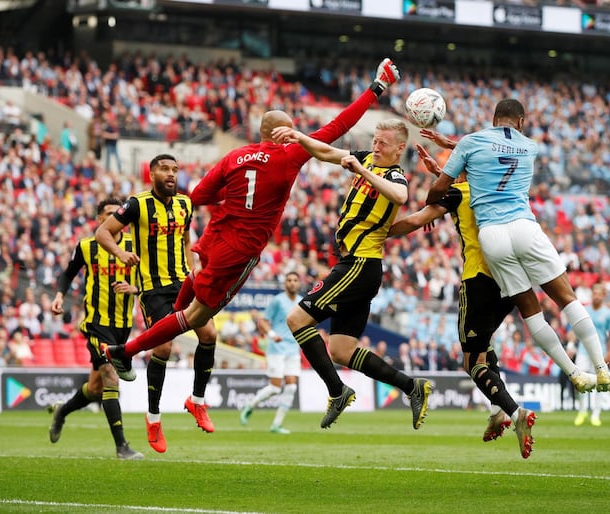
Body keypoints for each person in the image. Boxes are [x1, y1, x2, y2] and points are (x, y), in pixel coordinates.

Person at [102, 58, 402, 429]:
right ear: (282, 133)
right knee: (194, 318)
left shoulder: (234, 156)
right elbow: (339, 126)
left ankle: (191, 396)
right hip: (238, 252)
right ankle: (124, 351)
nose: (297, 135)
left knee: (194, 312)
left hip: (213, 241)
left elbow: (197, 197)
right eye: (293, 130)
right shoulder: (289, 153)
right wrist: (376, 88)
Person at [389, 135, 596, 457]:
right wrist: (442, 176)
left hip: (478, 280)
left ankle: (515, 413)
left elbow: (417, 220)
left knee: (472, 361)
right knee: (485, 348)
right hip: (510, 280)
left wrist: (374, 231)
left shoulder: (457, 192)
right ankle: (497, 410)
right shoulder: (497, 189)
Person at [424, 99, 610, 394]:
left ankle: (573, 372)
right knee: (567, 298)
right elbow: (495, 150)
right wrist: (452, 143)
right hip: (524, 227)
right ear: (521, 122)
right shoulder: (531, 146)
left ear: (493, 117)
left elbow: (442, 184)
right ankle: (601, 367)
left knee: (530, 311)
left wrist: (430, 202)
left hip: (492, 237)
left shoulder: (472, 142)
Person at [271, 118, 432, 432]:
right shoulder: (368, 159)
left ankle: (337, 391)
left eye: (383, 143)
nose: (376, 146)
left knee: (296, 320)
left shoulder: (394, 174)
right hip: (357, 267)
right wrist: (298, 135)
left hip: (359, 264)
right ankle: (413, 387)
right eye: (375, 140)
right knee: (341, 350)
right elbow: (325, 151)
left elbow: (399, 197)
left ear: (400, 148)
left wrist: (361, 171)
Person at [96, 154, 219, 454]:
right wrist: (120, 254)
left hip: (184, 282)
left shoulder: (185, 204)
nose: (171, 174)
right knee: (163, 348)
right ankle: (153, 418)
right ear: (152, 174)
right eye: (164, 169)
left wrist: (195, 271)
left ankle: (197, 401)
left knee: (210, 335)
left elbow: (187, 239)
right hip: (154, 289)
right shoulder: (137, 204)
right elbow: (102, 233)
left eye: (175, 169)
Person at [48, 198, 143, 460]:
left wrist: (135, 288)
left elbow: (150, 280)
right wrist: (59, 295)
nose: (115, 218)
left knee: (96, 387)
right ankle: (122, 447)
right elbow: (68, 273)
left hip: (123, 326)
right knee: (111, 378)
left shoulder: (135, 247)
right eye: (109, 214)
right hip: (95, 324)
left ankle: (62, 412)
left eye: (118, 214)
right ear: (100, 219)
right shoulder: (87, 247)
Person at [239, 271, 304, 434]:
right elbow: (263, 322)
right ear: (285, 283)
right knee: (275, 388)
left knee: (291, 388)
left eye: (295, 280)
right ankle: (250, 405)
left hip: (293, 348)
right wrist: (273, 335)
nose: (292, 283)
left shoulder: (301, 301)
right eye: (289, 280)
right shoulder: (278, 301)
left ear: (299, 283)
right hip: (277, 349)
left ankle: (277, 424)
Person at [574, 283, 610, 427]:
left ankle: (596, 414)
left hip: (601, 351)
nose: (597, 296)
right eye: (595, 293)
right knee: (579, 380)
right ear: (591, 294)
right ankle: (582, 411)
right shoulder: (584, 310)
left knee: (601, 382)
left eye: (600, 294)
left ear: (604, 295)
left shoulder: (609, 313)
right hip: (583, 350)